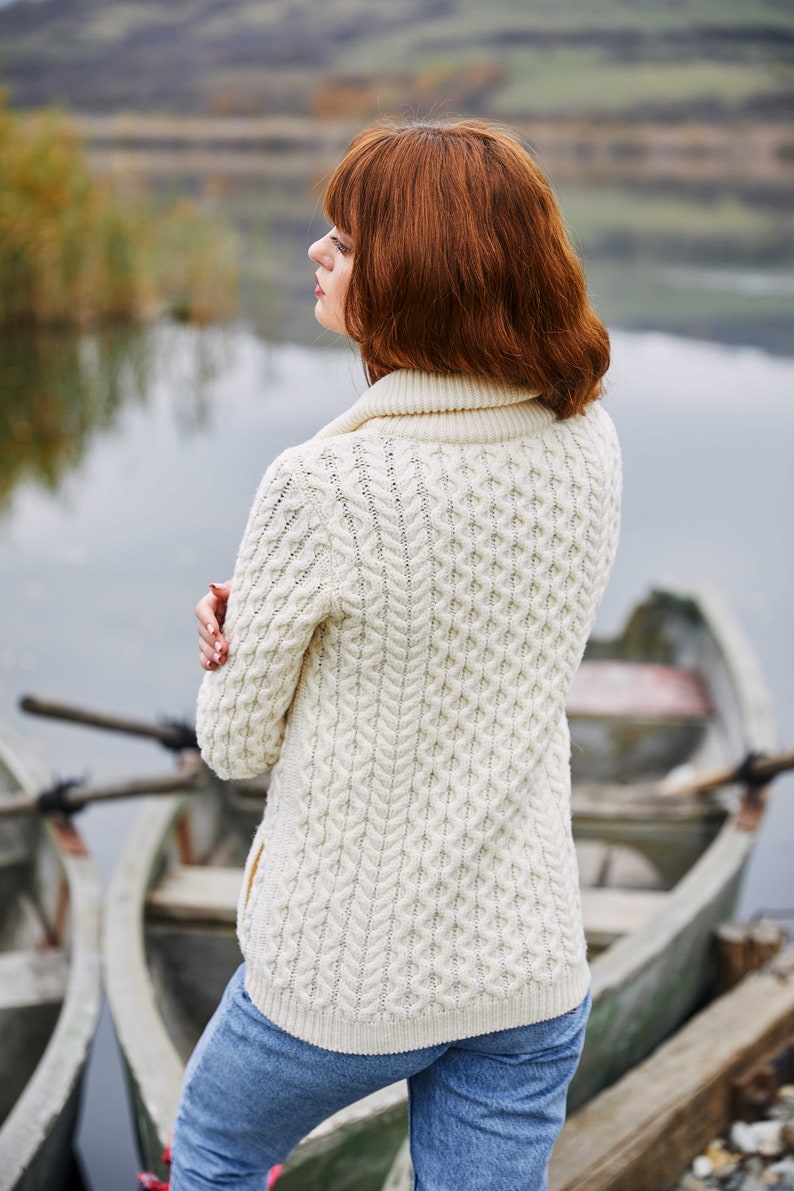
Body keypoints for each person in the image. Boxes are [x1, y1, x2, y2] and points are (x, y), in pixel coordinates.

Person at [170, 118, 621, 1190]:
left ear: (420, 270)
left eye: (346, 238)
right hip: (528, 972)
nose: (316, 253)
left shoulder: (323, 486)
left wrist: (231, 650)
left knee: (216, 1153)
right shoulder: (587, 439)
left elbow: (233, 748)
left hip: (343, 979)